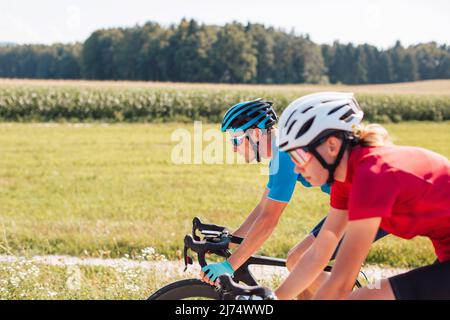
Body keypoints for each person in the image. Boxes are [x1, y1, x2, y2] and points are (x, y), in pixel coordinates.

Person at [200, 96, 388, 298]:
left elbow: (268, 220)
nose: (233, 147)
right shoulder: (279, 154)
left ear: (255, 134)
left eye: (235, 139)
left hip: (372, 203)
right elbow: (263, 207)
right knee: (300, 271)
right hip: (351, 203)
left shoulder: (283, 153)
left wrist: (230, 265)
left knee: (298, 261)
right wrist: (233, 240)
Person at [273, 92, 450, 299]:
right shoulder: (346, 180)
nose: (295, 168)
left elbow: (341, 283)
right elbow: (317, 254)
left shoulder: (372, 174)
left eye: (298, 155)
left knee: (367, 297)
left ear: (331, 145)